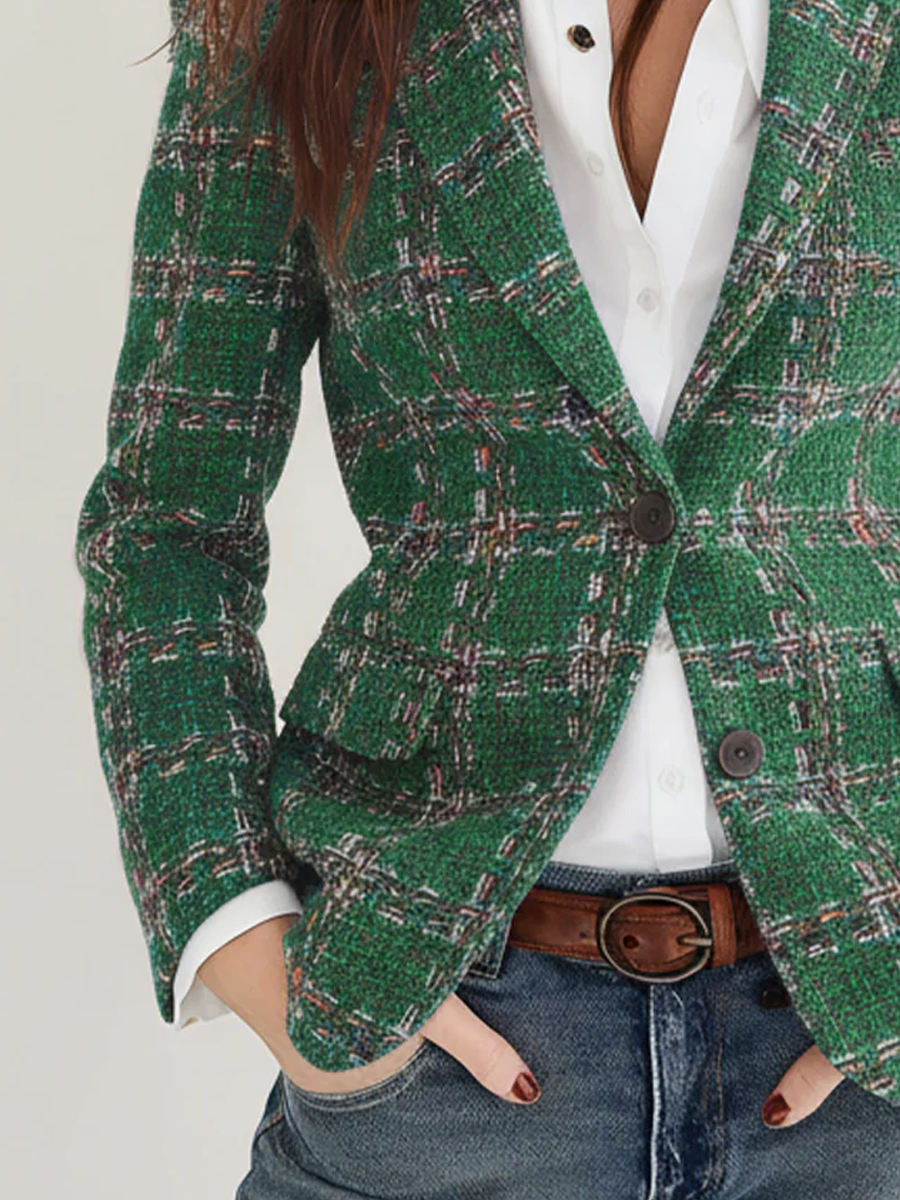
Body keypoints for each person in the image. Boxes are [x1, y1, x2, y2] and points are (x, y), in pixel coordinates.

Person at [74, 0, 900, 1195]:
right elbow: (168, 520)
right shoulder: (296, 20)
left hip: (862, 1035)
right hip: (440, 1034)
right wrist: (235, 921)